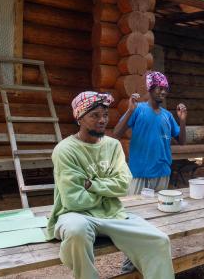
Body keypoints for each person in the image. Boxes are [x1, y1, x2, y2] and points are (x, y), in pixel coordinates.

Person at [47, 91, 174, 279]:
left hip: (113, 213)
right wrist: (108, 189)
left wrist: (91, 185)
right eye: (94, 115)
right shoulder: (65, 150)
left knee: (160, 240)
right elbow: (74, 200)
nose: (102, 120)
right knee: (76, 231)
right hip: (75, 214)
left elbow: (123, 185)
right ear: (79, 118)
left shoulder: (113, 145)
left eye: (105, 115)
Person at [113, 71, 187, 195]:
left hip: (163, 173)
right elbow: (116, 134)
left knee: (160, 209)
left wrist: (183, 120)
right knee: (138, 209)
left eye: (165, 89)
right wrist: (130, 111)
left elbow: (182, 141)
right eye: (159, 88)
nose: (163, 92)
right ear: (150, 89)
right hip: (141, 173)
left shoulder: (167, 116)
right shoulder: (138, 109)